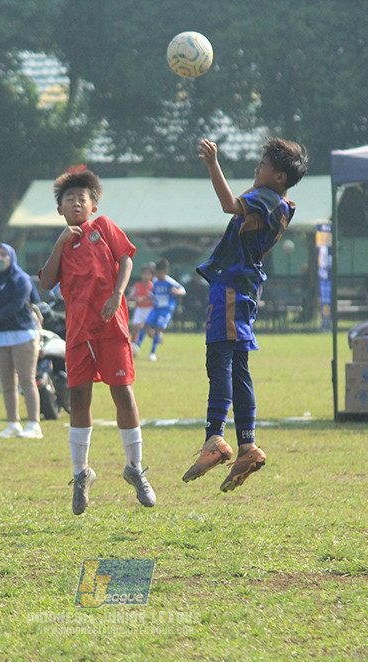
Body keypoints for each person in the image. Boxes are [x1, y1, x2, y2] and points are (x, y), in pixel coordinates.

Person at [182, 137, 307, 493]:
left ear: (280, 176)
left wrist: (212, 164)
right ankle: (247, 446)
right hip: (243, 287)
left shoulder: (265, 198)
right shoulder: (277, 201)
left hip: (233, 288)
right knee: (237, 367)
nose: (257, 169)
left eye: (264, 165)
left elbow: (228, 204)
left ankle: (215, 439)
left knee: (218, 361)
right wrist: (257, 179)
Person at [38, 168, 155, 515]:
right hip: (77, 332)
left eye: (82, 198)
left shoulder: (104, 228)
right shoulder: (63, 243)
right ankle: (81, 474)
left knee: (123, 392)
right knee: (78, 397)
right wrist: (60, 242)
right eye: (68, 199)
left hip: (110, 326)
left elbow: (127, 259)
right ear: (60, 209)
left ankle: (135, 468)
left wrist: (118, 294)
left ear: (93, 205)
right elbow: (45, 282)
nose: (76, 202)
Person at [0, 243, 43, 439]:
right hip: (0, 337)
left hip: (22, 334)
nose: (0, 258)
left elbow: (17, 305)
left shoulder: (21, 279)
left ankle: (34, 424)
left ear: (11, 257)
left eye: (3, 255)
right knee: (7, 382)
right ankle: (13, 423)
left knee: (26, 380)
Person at [134, 258, 186, 361]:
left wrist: (177, 292)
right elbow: (153, 295)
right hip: (156, 308)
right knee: (146, 325)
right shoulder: (155, 281)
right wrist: (143, 299)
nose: (157, 275)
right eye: (156, 273)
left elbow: (183, 290)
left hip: (166, 310)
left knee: (158, 329)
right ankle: (137, 347)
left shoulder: (169, 281)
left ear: (165, 272)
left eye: (159, 273)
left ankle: (152, 353)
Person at [127, 263, 154, 345]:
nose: (145, 276)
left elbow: (153, 297)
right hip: (139, 309)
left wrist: (143, 299)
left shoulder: (152, 286)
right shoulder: (137, 286)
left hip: (149, 309)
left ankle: (157, 339)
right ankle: (133, 344)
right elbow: (130, 296)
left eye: (147, 274)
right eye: (144, 274)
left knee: (149, 330)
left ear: (151, 276)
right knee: (135, 327)